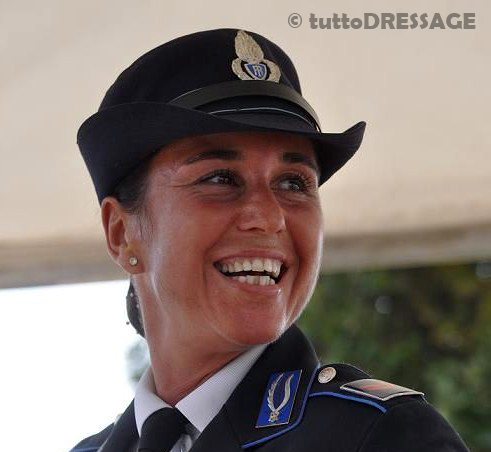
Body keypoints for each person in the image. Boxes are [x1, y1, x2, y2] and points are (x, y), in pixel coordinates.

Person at [71, 28, 469, 452]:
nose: (268, 217)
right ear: (122, 233)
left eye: (294, 183)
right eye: (220, 178)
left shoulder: (383, 437)